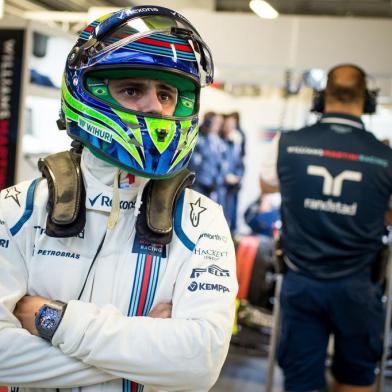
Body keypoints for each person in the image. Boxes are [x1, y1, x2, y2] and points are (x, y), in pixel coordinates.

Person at [0, 6, 238, 392]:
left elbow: (201, 362)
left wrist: (50, 319)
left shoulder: (201, 220)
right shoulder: (17, 208)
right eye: (132, 89)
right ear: (85, 90)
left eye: (167, 93)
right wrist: (152, 359)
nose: (156, 107)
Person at [259, 64, 391, 392]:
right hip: (359, 287)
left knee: (301, 383)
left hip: (301, 281)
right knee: (356, 381)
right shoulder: (385, 155)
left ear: (320, 100)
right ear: (368, 102)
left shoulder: (287, 144)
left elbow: (266, 185)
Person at [188, 111, 226, 203]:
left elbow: (222, 163)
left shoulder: (220, 142)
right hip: (200, 184)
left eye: (220, 123)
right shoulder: (199, 139)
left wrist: (218, 180)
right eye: (216, 122)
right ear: (209, 122)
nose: (219, 125)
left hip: (214, 186)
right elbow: (194, 163)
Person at [221, 113, 245, 233]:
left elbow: (240, 163)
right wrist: (225, 176)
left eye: (233, 125)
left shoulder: (236, 142)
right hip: (222, 184)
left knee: (230, 213)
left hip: (234, 184)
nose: (231, 127)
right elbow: (220, 163)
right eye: (229, 124)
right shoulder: (221, 141)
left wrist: (238, 176)